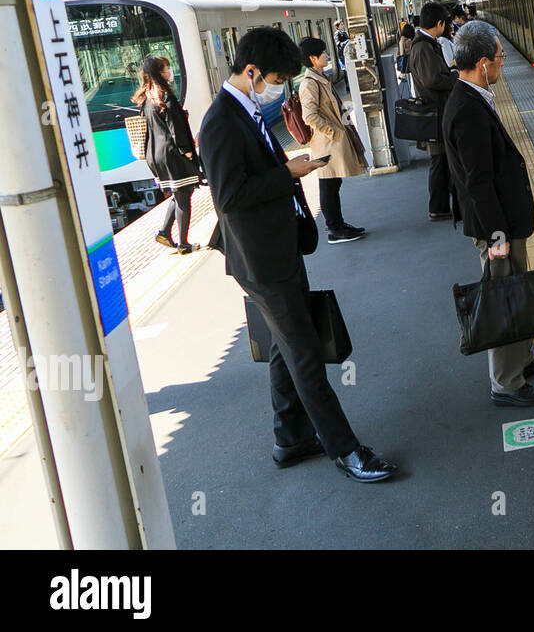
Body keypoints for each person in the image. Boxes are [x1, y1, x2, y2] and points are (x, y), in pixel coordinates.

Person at [199, 27, 397, 482]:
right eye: (274, 78)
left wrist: (290, 173)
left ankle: (289, 439)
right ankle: (346, 450)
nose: (278, 88)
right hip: (261, 259)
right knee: (304, 352)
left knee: (284, 347)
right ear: (251, 72)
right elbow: (228, 196)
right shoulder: (221, 121)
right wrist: (288, 173)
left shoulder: (244, 110)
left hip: (277, 247)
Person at [442, 20, 534, 407]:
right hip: (497, 226)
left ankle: (522, 360)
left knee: (516, 289)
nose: (503, 66)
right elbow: (478, 182)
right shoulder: (466, 110)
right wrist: (497, 236)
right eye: (501, 59)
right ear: (483, 63)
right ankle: (506, 383)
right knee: (503, 297)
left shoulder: (470, 98)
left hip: (504, 221)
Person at [298, 37, 367, 244]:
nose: (327, 55)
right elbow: (309, 116)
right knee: (328, 184)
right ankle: (334, 229)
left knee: (333, 184)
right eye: (323, 53)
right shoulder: (309, 84)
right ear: (312, 58)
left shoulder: (320, 78)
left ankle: (338, 224)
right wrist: (333, 132)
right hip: (326, 143)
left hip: (330, 141)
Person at [134, 55, 202, 254]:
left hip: (155, 155)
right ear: (158, 72)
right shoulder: (165, 96)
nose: (169, 71)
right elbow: (176, 128)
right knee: (183, 198)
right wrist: (188, 152)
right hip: (172, 154)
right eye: (166, 68)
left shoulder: (146, 98)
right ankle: (183, 244)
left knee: (180, 193)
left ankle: (164, 232)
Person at [412, 2, 456, 221]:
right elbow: (432, 79)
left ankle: (444, 205)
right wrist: (455, 77)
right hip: (434, 113)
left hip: (438, 111)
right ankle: (438, 208)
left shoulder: (426, 44)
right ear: (439, 24)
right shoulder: (422, 47)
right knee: (439, 161)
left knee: (443, 160)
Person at [396, 22, 417, 97]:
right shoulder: (409, 42)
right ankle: (414, 96)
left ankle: (413, 95)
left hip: (407, 66)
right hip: (412, 65)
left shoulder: (401, 40)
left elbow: (399, 54)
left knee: (412, 83)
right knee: (414, 83)